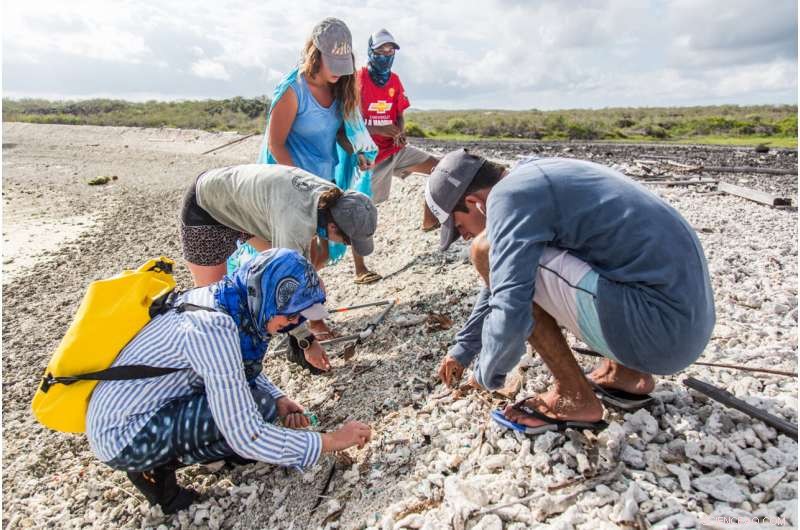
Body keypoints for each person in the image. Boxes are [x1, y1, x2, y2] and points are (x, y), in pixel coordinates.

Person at [427, 150, 715, 434]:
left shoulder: (506, 198)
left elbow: (508, 300)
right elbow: (499, 279)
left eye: (459, 227)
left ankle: (573, 397)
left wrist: (486, 374)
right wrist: (464, 350)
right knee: (519, 255)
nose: (462, 236)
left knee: (484, 250)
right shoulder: (533, 174)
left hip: (658, 333)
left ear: (473, 202)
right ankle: (625, 374)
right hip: (682, 324)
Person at [86, 249, 373, 514]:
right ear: (266, 296)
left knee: (263, 404)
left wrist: (279, 398)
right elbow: (246, 434)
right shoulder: (213, 327)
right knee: (254, 411)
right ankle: (153, 472)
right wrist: (331, 441)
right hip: (122, 434)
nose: (295, 321)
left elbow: (236, 369)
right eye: (292, 313)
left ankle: (194, 456)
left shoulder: (228, 301)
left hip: (144, 410)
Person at [179, 163, 378, 346]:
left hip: (249, 209)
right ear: (333, 226)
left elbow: (304, 272)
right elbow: (285, 283)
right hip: (206, 207)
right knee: (213, 302)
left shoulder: (333, 200)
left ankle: (306, 325)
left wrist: (316, 323)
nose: (347, 245)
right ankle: (195, 348)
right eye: (347, 241)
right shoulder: (295, 222)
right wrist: (303, 340)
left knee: (305, 277)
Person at [259, 17, 382, 285]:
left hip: (325, 180)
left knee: (320, 252)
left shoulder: (341, 88)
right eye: (333, 64)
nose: (340, 71)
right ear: (316, 55)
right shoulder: (293, 90)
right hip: (293, 181)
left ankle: (306, 303)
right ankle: (304, 309)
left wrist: (356, 152)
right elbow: (275, 144)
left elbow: (338, 132)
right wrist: (299, 184)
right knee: (298, 251)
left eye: (344, 64)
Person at [358, 29, 439, 231]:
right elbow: (350, 126)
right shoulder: (357, 79)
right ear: (370, 51)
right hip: (369, 156)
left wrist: (400, 133)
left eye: (390, 50)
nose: (386, 55)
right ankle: (359, 261)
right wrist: (378, 129)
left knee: (441, 169)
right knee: (364, 209)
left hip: (396, 150)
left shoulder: (394, 80)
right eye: (381, 50)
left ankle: (430, 221)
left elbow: (400, 114)